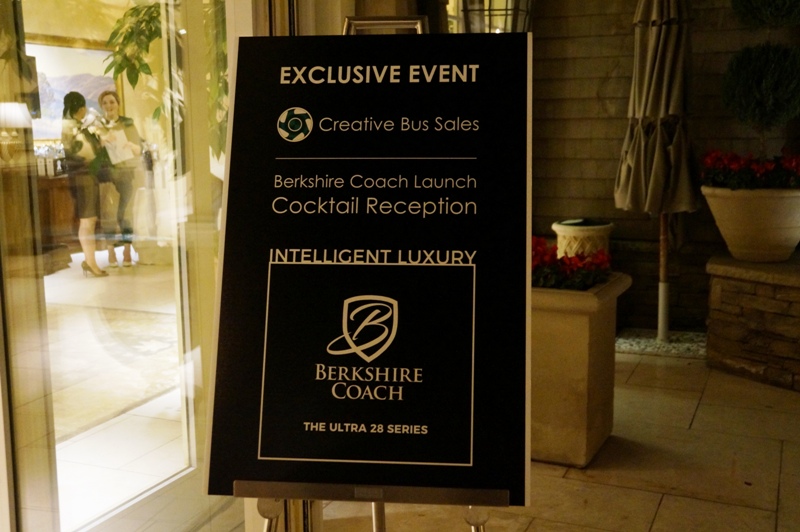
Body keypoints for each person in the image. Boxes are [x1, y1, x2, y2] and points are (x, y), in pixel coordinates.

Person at [61, 91, 107, 278]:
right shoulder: (71, 127)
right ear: (80, 108)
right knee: (87, 220)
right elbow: (83, 154)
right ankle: (91, 262)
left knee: (90, 220)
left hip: (87, 176)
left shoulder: (74, 126)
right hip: (83, 177)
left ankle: (90, 261)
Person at [98, 90, 142, 267]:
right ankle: (110, 251)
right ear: (101, 106)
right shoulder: (98, 125)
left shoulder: (127, 123)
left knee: (125, 213)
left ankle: (127, 250)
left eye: (112, 102)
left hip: (125, 173)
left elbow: (138, 149)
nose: (109, 106)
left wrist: (130, 145)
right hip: (106, 174)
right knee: (108, 213)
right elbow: (94, 151)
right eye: (105, 103)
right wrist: (102, 142)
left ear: (118, 104)